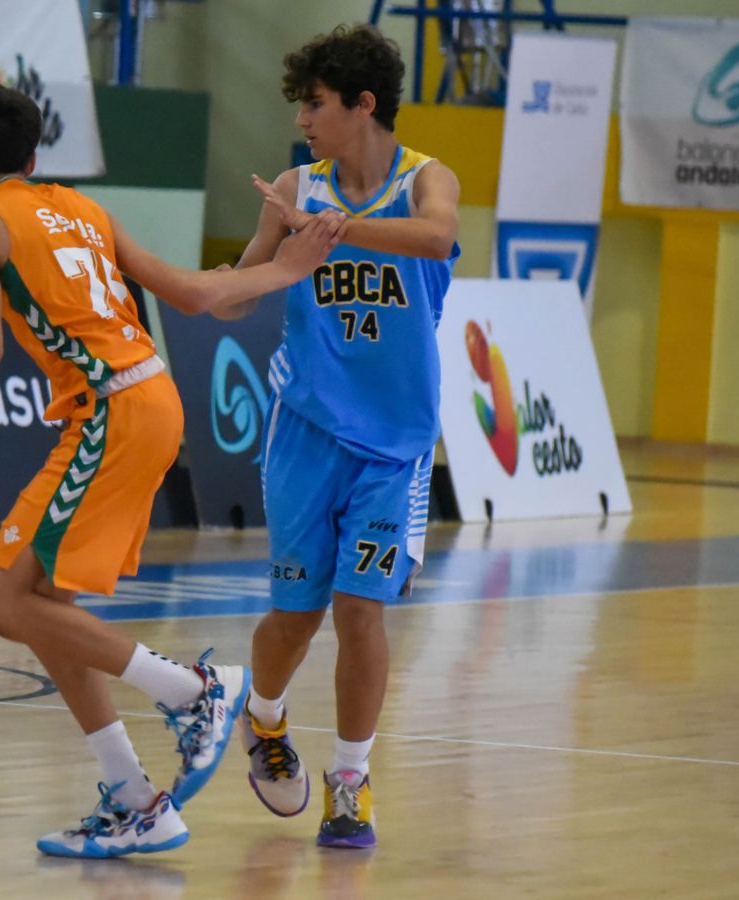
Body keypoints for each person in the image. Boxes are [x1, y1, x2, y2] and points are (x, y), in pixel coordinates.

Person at [0, 83, 341, 858]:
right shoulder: (83, 210)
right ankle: (137, 799)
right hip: (150, 396)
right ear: (34, 159)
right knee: (40, 608)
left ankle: (196, 692)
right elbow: (197, 293)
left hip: (111, 411)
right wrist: (288, 267)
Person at [216, 24, 461, 849]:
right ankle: (265, 718)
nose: (303, 119)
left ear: (364, 105)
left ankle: (350, 779)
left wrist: (329, 230)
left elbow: (435, 238)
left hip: (396, 442)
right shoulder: (294, 185)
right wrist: (218, 288)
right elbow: (250, 282)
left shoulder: (426, 178)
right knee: (296, 614)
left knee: (363, 611)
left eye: (316, 104)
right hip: (308, 428)